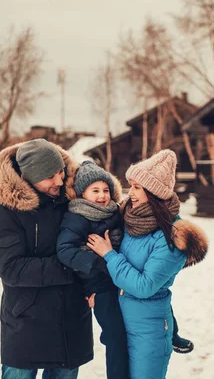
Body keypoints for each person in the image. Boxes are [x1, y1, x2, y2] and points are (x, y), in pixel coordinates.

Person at [86, 149, 208, 379]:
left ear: (153, 192)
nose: (129, 192)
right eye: (130, 185)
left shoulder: (174, 237)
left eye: (137, 187)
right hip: (122, 326)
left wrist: (110, 255)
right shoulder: (130, 219)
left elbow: (145, 285)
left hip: (149, 332)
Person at [0, 138, 93, 379]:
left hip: (70, 319)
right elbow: (12, 268)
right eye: (50, 176)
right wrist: (70, 266)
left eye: (60, 172)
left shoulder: (74, 201)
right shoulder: (9, 210)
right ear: (30, 176)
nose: (59, 180)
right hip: (26, 322)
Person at [56, 160, 129, 379]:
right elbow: (65, 250)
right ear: (82, 193)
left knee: (128, 331)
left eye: (106, 190)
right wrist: (100, 260)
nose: (102, 195)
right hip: (99, 285)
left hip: (121, 279)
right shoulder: (77, 217)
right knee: (115, 335)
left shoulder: (115, 212)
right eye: (95, 190)